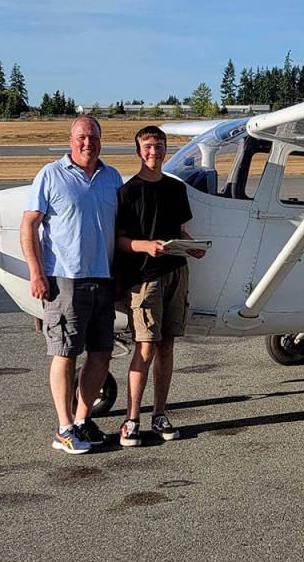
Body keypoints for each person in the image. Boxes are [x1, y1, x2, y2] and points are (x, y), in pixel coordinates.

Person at [21, 115, 122, 455]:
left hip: (103, 278)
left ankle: (81, 421)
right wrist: (37, 273)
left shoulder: (112, 177)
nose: (87, 143)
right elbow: (29, 226)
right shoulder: (50, 175)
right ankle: (63, 428)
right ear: (71, 140)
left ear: (100, 140)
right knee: (64, 353)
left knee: (101, 353)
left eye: (93, 136)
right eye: (81, 137)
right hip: (65, 279)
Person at [115, 125, 205, 446]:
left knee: (167, 345)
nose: (155, 152)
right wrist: (145, 246)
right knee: (146, 346)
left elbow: (179, 231)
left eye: (160, 146)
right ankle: (131, 419)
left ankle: (160, 413)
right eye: (149, 146)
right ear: (139, 151)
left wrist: (193, 247)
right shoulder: (128, 192)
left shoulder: (175, 189)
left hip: (176, 273)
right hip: (145, 278)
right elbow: (120, 241)